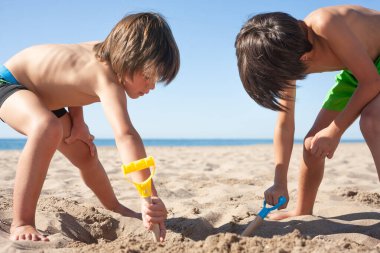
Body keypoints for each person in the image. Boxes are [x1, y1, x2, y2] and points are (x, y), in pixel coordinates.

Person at [0, 12, 180, 242]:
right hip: (8, 83)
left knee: (85, 155)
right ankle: (22, 222)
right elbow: (125, 135)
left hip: (43, 97)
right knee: (47, 127)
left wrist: (78, 121)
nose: (152, 85)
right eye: (148, 76)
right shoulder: (108, 79)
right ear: (129, 58)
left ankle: (115, 207)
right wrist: (149, 196)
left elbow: (70, 79)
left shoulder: (105, 54)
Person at [235, 5, 380, 219]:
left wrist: (334, 131)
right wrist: (279, 182)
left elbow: (371, 82)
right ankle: (303, 210)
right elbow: (285, 123)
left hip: (369, 70)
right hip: (357, 71)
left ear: (304, 58)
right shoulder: (287, 51)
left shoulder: (326, 24)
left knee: (372, 122)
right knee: (312, 143)